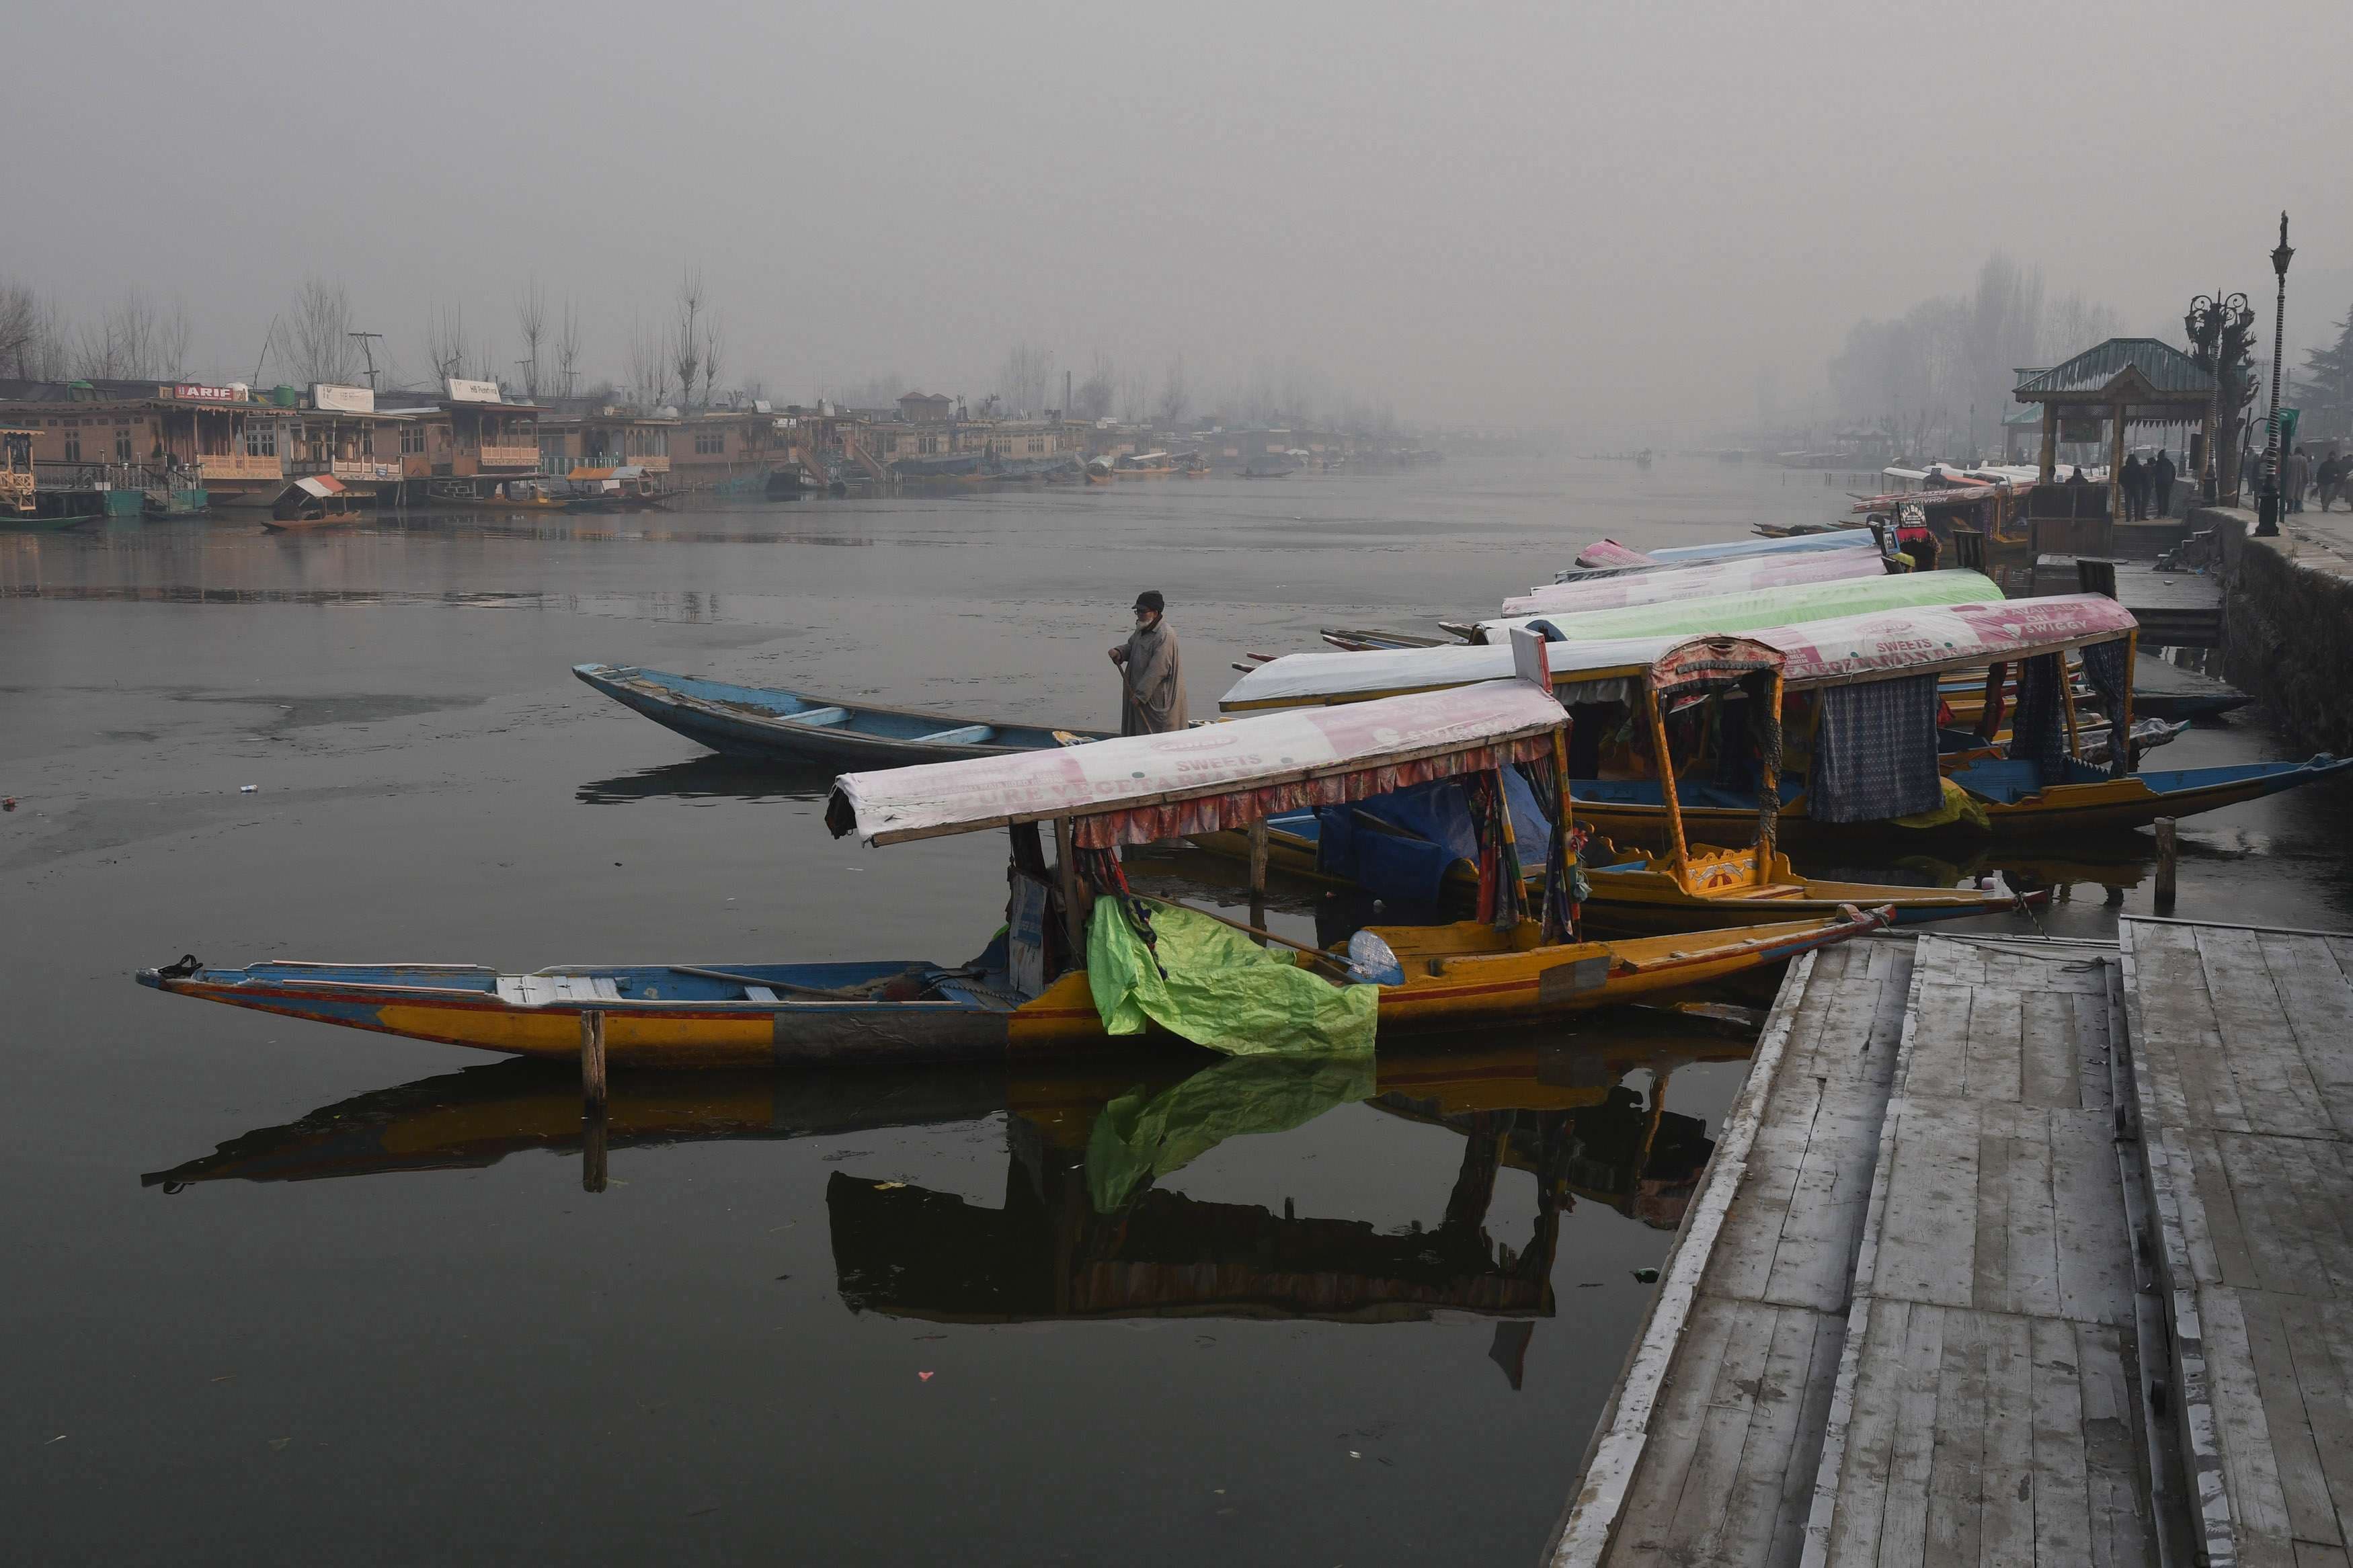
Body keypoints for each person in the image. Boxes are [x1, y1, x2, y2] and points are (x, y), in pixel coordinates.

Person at [1109, 589, 1188, 735]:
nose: (1139, 614)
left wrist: (1140, 695)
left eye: (1143, 611)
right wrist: (1120, 652)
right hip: (1139, 697)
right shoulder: (1143, 628)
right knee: (1137, 735)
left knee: (1158, 738)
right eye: (1137, 611)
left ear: (1156, 612)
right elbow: (1132, 647)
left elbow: (1158, 669)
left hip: (1156, 700)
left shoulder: (1164, 635)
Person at [2151, 448, 2176, 518]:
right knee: (2166, 498)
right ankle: (2165, 513)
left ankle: (2160, 513)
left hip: (2159, 483)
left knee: (2159, 499)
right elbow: (2174, 473)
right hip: (2168, 483)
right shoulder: (2170, 464)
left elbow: (2154, 473)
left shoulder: (2158, 464)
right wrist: (2171, 482)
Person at [2120, 453, 2147, 520]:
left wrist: (2124, 485)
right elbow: (2144, 477)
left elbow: (2120, 478)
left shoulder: (2124, 469)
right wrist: (2141, 485)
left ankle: (2128, 518)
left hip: (2128, 488)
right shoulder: (2140, 468)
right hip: (2137, 488)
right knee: (2137, 503)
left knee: (2128, 504)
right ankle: (2137, 517)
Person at [2286, 444, 2311, 513]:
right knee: (2299, 495)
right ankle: (2297, 509)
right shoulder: (2304, 459)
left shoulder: (2291, 459)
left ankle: (2289, 509)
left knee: (2290, 495)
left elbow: (2287, 470)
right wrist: (2307, 479)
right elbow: (2306, 471)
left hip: (2291, 479)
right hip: (2301, 480)